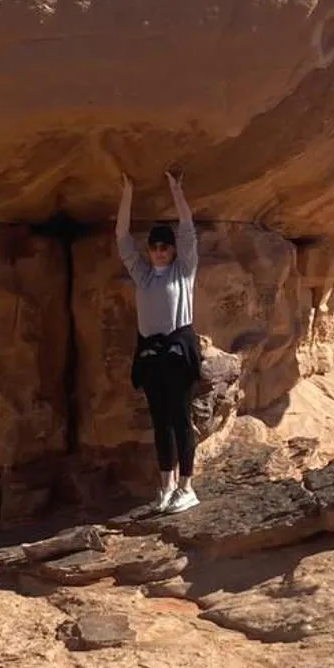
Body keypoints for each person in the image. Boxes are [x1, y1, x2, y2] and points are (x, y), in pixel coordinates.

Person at [115, 168, 201, 512]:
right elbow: (122, 237)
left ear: (173, 250)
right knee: (160, 421)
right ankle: (165, 487)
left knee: (181, 419)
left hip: (178, 352)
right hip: (151, 354)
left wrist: (175, 190)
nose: (160, 251)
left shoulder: (185, 270)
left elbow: (188, 229)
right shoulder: (143, 275)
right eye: (155, 246)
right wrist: (127, 193)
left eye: (165, 246)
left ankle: (187, 487)